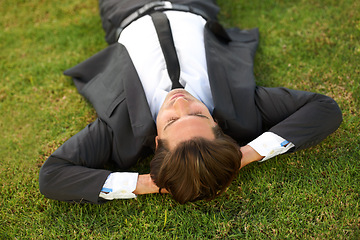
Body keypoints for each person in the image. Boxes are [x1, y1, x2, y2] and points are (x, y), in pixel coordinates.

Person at [39, 0, 342, 204]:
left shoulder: (121, 133)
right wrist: (246, 154)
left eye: (171, 121)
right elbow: (325, 109)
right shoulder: (239, 108)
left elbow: (52, 175)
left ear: (157, 143)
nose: (180, 103)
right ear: (216, 125)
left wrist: (145, 183)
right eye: (198, 113)